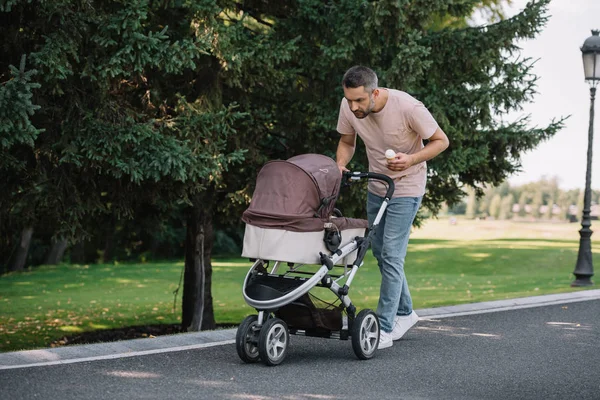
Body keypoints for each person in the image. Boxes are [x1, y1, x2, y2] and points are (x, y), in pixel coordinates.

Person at [335, 65, 449, 349]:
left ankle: (385, 327)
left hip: (407, 186)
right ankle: (407, 312)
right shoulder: (348, 106)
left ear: (374, 92)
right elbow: (347, 141)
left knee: (393, 255)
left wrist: (411, 159)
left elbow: (441, 141)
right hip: (378, 186)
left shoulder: (408, 107)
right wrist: (340, 164)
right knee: (381, 253)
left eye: (360, 100)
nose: (354, 106)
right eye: (349, 100)